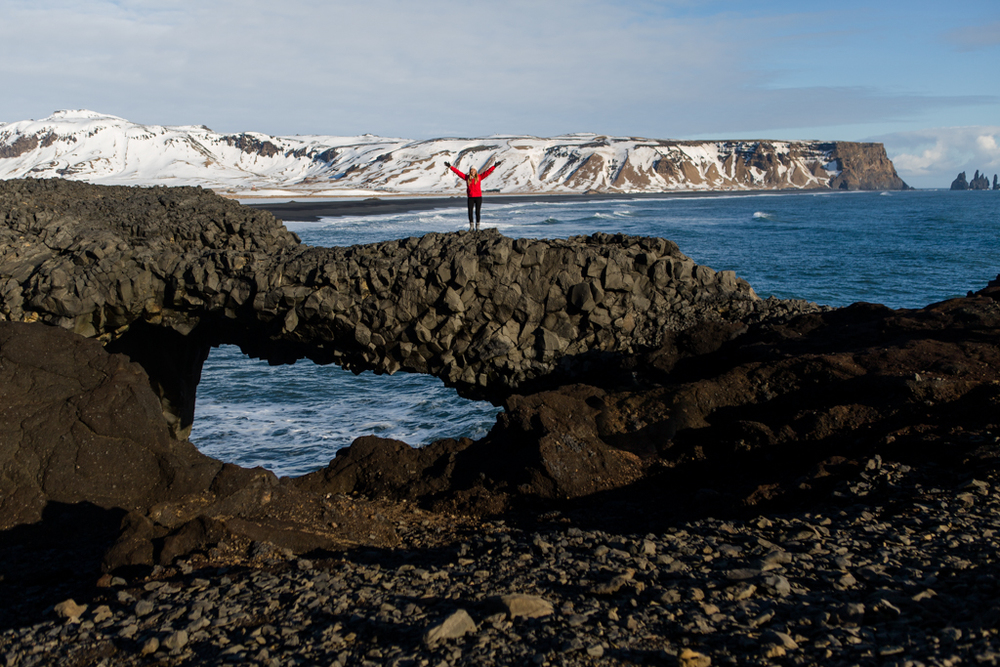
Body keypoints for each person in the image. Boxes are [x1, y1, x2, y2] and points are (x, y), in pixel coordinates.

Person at [445, 158, 502, 231]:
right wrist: (450, 167)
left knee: (477, 212)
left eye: (474, 170)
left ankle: (477, 227)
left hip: (478, 197)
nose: (472, 171)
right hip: (470, 197)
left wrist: (494, 166)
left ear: (476, 171)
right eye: (471, 170)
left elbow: (487, 172)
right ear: (470, 171)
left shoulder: (479, 177)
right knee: (470, 212)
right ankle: (471, 226)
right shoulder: (467, 178)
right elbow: (458, 173)